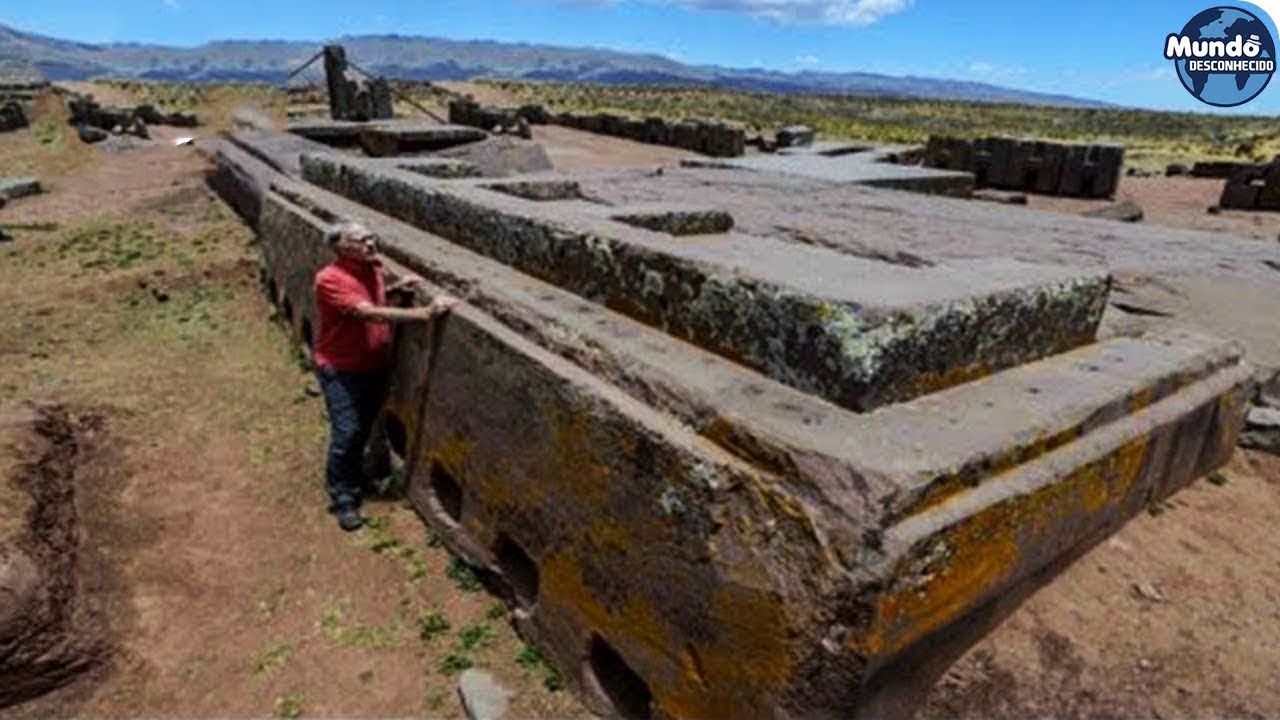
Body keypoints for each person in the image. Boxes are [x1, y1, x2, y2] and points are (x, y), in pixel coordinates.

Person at [312, 221, 460, 531]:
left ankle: (354, 475)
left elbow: (373, 301)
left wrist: (396, 289)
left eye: (370, 237)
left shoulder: (372, 269)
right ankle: (344, 497)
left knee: (362, 428)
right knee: (348, 432)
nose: (369, 243)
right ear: (341, 247)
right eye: (360, 240)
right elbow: (365, 312)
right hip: (341, 369)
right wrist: (424, 314)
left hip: (373, 365)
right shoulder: (330, 279)